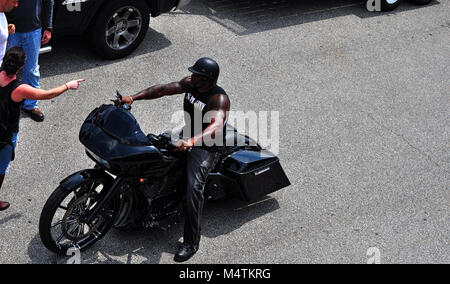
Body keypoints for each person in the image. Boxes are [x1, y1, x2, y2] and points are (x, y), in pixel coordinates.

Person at [118, 57, 230, 262]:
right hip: (186, 137)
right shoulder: (191, 83)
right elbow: (162, 90)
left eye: (198, 75)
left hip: (206, 146)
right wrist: (133, 98)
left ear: (209, 79)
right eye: (194, 73)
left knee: (193, 188)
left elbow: (216, 126)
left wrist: (193, 141)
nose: (192, 77)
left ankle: (191, 243)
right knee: (148, 160)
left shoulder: (218, 99)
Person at [0, 47, 84, 211]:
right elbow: (48, 94)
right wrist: (68, 85)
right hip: (5, 135)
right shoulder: (19, 89)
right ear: (21, 67)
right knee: (1, 168)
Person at [6, 0, 54, 122]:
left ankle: (31, 105)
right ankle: (6, 105)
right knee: (7, 70)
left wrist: (48, 27)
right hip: (10, 31)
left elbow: (49, 2)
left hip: (34, 31)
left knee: (31, 70)